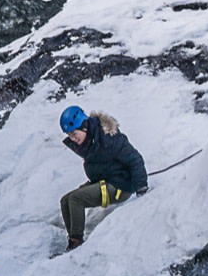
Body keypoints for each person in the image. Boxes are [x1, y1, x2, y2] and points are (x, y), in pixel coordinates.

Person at [59, 105, 148, 251]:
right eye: (69, 136)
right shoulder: (88, 140)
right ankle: (73, 240)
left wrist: (141, 187)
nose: (73, 139)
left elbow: (135, 159)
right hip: (104, 181)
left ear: (84, 127)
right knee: (65, 201)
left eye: (74, 134)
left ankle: (76, 244)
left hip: (120, 186)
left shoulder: (109, 138)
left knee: (76, 199)